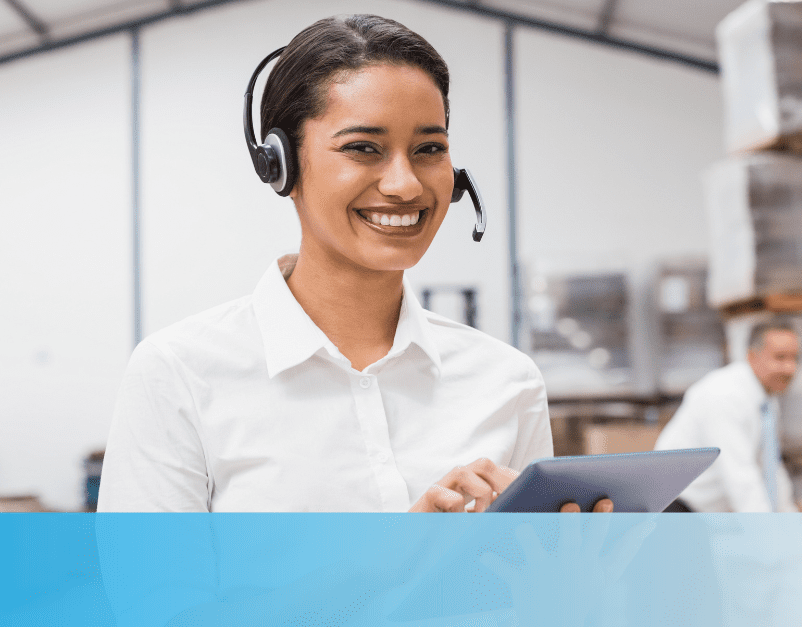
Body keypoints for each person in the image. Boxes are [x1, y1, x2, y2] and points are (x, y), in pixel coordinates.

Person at [98, 14, 609, 514]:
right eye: (363, 148)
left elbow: (524, 570)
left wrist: (568, 558)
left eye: (429, 148)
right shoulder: (179, 375)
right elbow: (151, 578)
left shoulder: (507, 381)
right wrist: (404, 558)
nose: (405, 184)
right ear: (280, 165)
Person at [654, 320, 800, 512]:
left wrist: (791, 523)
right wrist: (768, 529)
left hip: (708, 513)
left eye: (795, 358)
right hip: (676, 509)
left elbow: (771, 469)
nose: (790, 368)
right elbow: (741, 478)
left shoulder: (766, 402)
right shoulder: (723, 396)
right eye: (780, 358)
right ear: (752, 357)